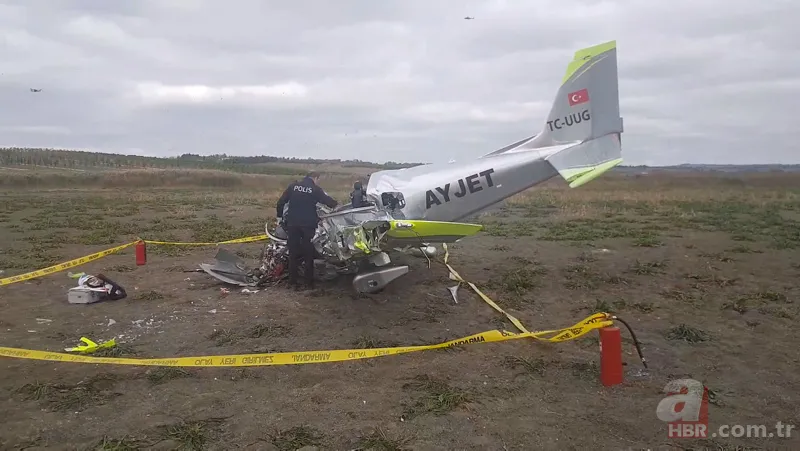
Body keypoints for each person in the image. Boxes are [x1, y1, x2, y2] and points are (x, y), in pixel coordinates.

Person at [276, 171, 338, 289]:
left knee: (293, 252)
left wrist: (279, 217)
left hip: (292, 224)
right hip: (308, 225)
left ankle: (292, 282)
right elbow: (329, 202)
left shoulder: (293, 186)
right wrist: (338, 206)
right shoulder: (315, 189)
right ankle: (308, 283)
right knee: (308, 253)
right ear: (315, 178)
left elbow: (281, 202)